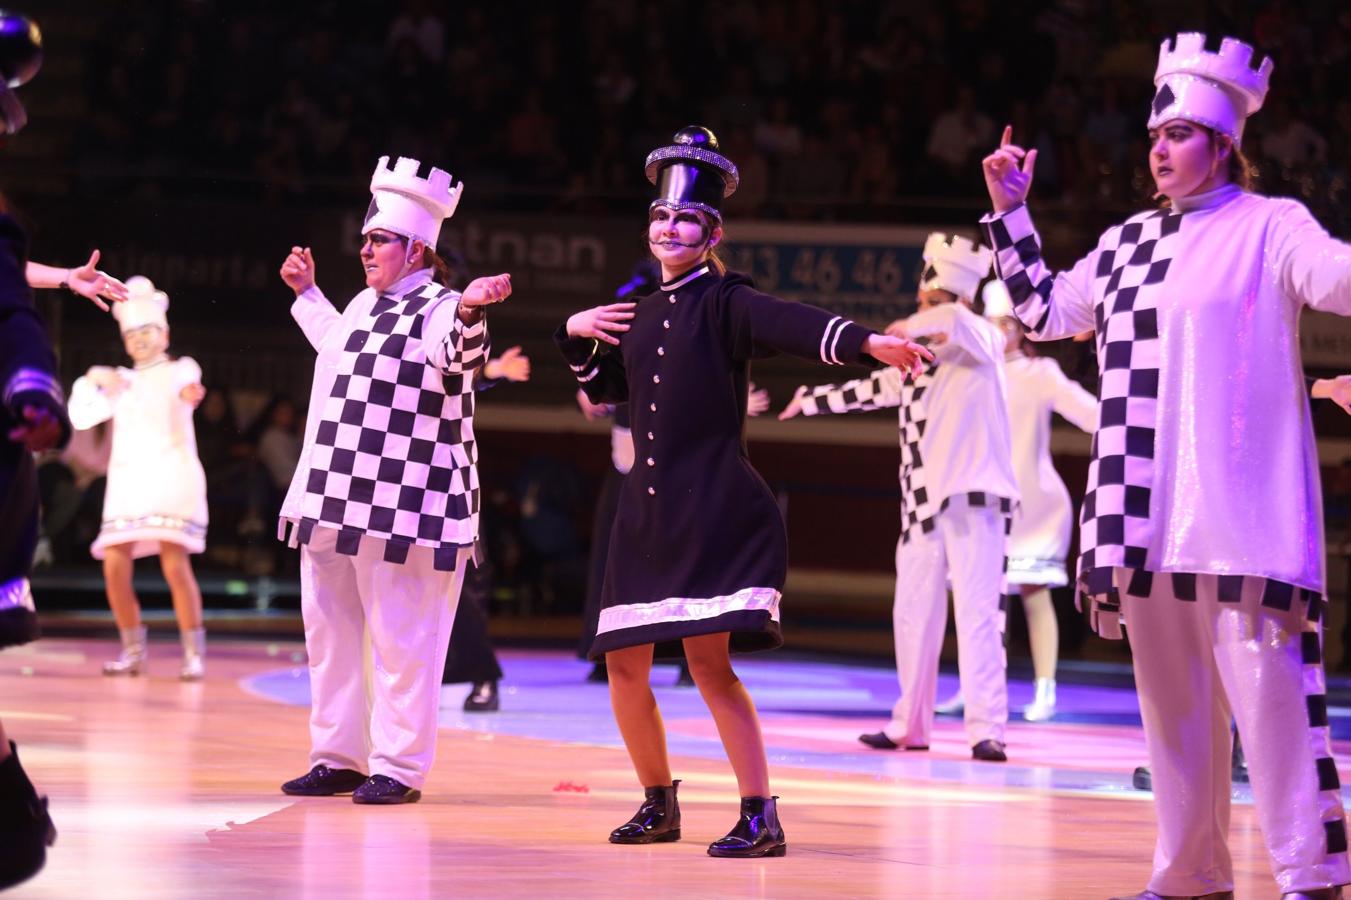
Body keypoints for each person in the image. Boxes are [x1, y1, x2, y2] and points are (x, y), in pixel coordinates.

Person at [980, 32, 1350, 899]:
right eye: (1155, 133)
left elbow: (1339, 277)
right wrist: (1010, 210)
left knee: (1274, 717)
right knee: (1173, 719)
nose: (1159, 146)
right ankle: (1188, 875)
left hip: (1243, 523)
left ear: (1224, 144)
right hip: (1137, 518)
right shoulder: (1122, 243)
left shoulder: (1270, 226)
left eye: (1180, 133)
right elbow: (1039, 309)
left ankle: (1313, 876)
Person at [556, 126, 930, 857]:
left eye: (684, 219)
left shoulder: (725, 299)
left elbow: (790, 323)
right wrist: (574, 338)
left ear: (711, 229)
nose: (669, 228)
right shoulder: (634, 311)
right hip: (647, 514)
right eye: (660, 217)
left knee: (707, 665)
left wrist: (866, 341)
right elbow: (606, 392)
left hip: (713, 508)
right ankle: (657, 804)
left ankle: (760, 814)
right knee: (623, 664)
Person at [276, 155, 511, 805]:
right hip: (334, 496)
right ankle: (338, 756)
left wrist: (470, 311)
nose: (364, 248)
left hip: (407, 507)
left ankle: (399, 767)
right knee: (331, 636)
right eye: (364, 238)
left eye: (378, 239)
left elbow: (457, 362)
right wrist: (307, 296)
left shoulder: (438, 308)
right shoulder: (359, 303)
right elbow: (340, 349)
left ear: (415, 250)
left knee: (404, 642)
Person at [780, 233, 1018, 761]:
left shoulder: (980, 339)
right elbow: (870, 390)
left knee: (979, 614)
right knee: (912, 614)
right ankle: (909, 723)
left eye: (928, 301)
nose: (921, 310)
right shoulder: (920, 359)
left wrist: (906, 327)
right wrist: (805, 402)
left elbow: (955, 322)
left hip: (976, 496)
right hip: (921, 504)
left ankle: (986, 729)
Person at [938, 281, 1098, 722]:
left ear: (1020, 329)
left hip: (1036, 503)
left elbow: (1088, 413)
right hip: (984, 501)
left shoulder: (1039, 372)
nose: (997, 332)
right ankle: (977, 688)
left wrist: (1129, 421)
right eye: (990, 324)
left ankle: (1045, 689)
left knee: (1033, 592)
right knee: (982, 600)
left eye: (1005, 324)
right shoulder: (970, 372)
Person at [68, 276, 210, 680]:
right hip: (128, 484)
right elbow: (80, 417)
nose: (141, 340)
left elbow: (189, 387)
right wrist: (91, 378)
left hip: (170, 477)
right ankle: (133, 651)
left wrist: (191, 393)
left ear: (164, 332)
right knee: (114, 565)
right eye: (133, 334)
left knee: (174, 564)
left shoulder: (182, 367)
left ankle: (192, 652)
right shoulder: (120, 381)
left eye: (147, 331)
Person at [443, 345, 532, 713]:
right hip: (389, 465)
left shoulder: (445, 307)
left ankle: (482, 675)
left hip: (444, 468)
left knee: (458, 580)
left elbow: (462, 372)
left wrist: (494, 369)